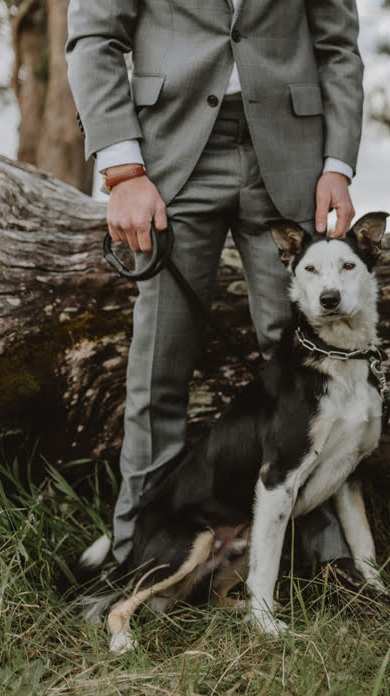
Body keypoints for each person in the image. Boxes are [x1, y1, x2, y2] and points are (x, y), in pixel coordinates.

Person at [66, 0, 363, 576]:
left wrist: (338, 163)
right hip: (167, 154)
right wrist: (122, 169)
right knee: (160, 364)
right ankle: (137, 552)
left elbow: (338, 47)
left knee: (311, 360)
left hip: (293, 156)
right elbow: (94, 36)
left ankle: (321, 557)